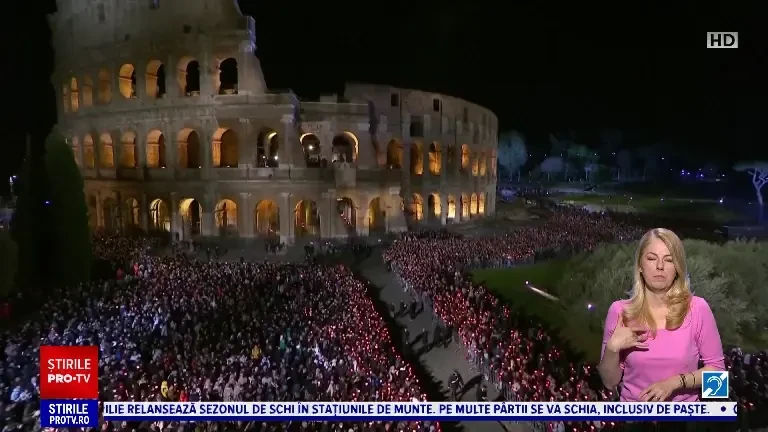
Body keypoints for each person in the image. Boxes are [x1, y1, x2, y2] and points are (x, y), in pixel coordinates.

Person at [598, 228, 725, 404]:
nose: (660, 266)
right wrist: (612, 349)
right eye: (651, 258)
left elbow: (719, 379)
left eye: (669, 260)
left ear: (677, 268)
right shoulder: (620, 312)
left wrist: (675, 383)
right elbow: (609, 383)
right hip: (635, 422)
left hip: (684, 422)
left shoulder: (697, 308)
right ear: (640, 266)